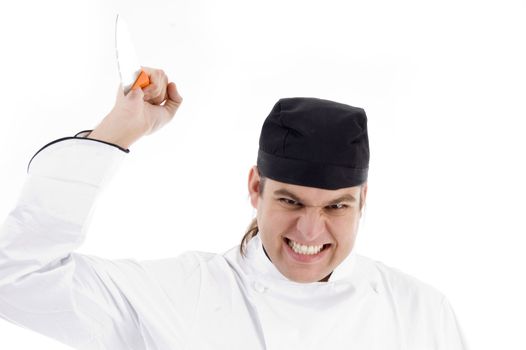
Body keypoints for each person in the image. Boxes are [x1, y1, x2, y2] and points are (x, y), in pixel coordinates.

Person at [0, 67, 466, 349]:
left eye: (336, 207)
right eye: (290, 200)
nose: (309, 230)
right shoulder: (178, 296)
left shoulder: (421, 313)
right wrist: (114, 135)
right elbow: (13, 279)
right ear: (255, 188)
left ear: (363, 201)